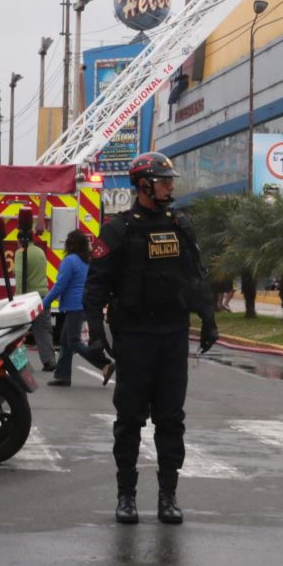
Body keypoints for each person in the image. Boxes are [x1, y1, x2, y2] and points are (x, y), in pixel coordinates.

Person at [84, 151, 218, 526]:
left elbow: (196, 278)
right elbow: (95, 287)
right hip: (135, 337)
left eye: (170, 180)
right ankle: (126, 496)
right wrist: (96, 334)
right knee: (129, 420)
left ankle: (168, 497)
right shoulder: (119, 229)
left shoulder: (180, 225)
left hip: (173, 337)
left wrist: (208, 319)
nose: (171, 186)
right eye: (164, 180)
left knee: (171, 419)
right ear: (143, 185)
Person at [45, 228, 112, 387]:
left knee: (73, 341)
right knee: (65, 340)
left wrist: (45, 303)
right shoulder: (87, 260)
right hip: (85, 303)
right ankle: (62, 376)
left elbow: (60, 285)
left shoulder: (70, 261)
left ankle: (104, 364)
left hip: (75, 305)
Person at [11, 213, 57, 370]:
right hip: (42, 295)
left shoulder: (20, 253)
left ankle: (20, 364)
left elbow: (20, 276)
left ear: (19, 240)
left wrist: (16, 299)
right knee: (43, 330)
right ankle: (49, 361)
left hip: (27, 296)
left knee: (17, 332)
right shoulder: (40, 252)